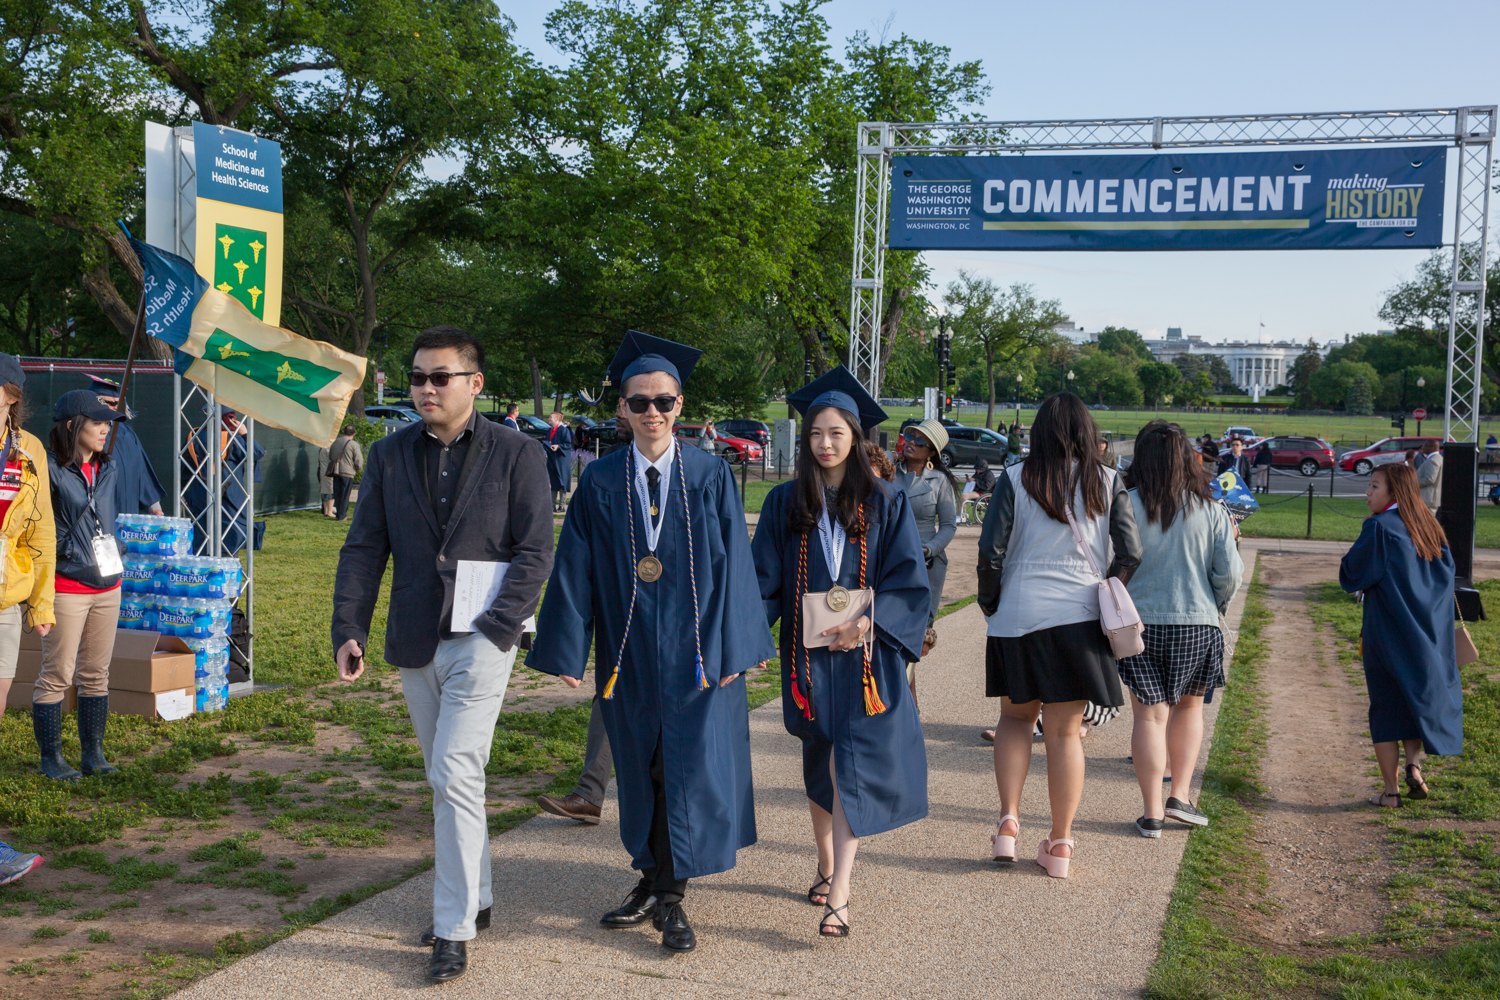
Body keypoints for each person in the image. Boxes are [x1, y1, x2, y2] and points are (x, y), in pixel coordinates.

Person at [528, 331, 774, 954]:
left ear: (680, 407)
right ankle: (649, 879)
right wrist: (566, 647)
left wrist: (737, 645)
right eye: (639, 403)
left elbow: (734, 565)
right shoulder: (602, 480)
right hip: (629, 651)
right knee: (640, 770)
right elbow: (575, 565)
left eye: (663, 402)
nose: (652, 414)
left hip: (696, 654)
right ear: (621, 409)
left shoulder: (710, 474)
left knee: (683, 770)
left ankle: (670, 898)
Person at [331, 326, 554, 982]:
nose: (426, 388)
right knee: (450, 778)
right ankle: (477, 897)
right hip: (413, 639)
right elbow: (365, 547)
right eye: (418, 377)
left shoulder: (519, 455)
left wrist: (498, 625)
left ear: (474, 385)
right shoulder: (390, 455)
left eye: (440, 377)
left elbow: (536, 551)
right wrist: (350, 628)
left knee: (453, 771)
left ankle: (453, 928)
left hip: (485, 638)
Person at [752, 365, 929, 938]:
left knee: (847, 762)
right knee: (818, 759)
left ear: (856, 438)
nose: (825, 444)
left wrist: (869, 622)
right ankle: (826, 864)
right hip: (808, 659)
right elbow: (763, 581)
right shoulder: (785, 502)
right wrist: (751, 638)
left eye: (836, 433)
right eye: (815, 435)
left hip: (862, 659)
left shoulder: (885, 502)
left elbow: (908, 582)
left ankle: (842, 893)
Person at [976, 392, 1142, 878]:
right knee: (1067, 733)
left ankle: (1008, 824)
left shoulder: (1014, 477)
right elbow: (1130, 552)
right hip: (1080, 616)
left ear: (1040, 431)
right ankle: (1061, 843)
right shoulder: (1108, 480)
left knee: (1014, 720)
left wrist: (990, 602)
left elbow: (991, 552)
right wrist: (1108, 588)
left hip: (1018, 614)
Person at [1119, 422, 1242, 837]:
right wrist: (1215, 606)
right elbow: (1229, 575)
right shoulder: (1210, 509)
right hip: (1198, 621)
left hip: (1138, 625)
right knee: (1190, 709)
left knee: (1149, 719)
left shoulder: (1125, 504)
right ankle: (1181, 795)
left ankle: (1151, 811)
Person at [1340, 463, 1460, 807]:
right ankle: (1414, 765)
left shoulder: (1379, 528)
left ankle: (1391, 792)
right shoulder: (1429, 527)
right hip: (1428, 633)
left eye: (1374, 486)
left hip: (1387, 630)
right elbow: (1445, 578)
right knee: (1413, 702)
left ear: (1394, 492)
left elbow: (1354, 574)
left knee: (1386, 708)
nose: (1367, 492)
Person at [34, 390, 128, 781]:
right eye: (97, 422)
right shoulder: (48, 469)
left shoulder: (108, 468)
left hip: (107, 584)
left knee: (96, 673)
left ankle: (94, 754)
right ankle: (51, 760)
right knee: (57, 674)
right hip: (66, 585)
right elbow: (40, 526)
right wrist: (70, 554)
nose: (105, 430)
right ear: (73, 425)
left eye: (107, 423)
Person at [0, 356, 52, 886]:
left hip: (3, 605)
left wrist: (41, 604)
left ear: (10, 395)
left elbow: (42, 535)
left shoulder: (29, 450)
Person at [895, 419, 957, 703]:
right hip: (890, 561)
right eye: (910, 435)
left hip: (925, 565)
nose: (911, 442)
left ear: (931, 452)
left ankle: (908, 710)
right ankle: (904, 708)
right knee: (891, 633)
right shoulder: (889, 472)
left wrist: (930, 549)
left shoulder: (939, 482)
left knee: (913, 639)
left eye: (920, 441)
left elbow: (948, 526)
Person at [183, 405, 264, 555]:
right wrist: (245, 433)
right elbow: (257, 452)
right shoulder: (235, 439)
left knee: (203, 545)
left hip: (202, 498)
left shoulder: (195, 436)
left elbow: (184, 470)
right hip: (229, 501)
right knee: (228, 549)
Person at [86, 375, 165, 515]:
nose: (115, 407)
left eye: (118, 402)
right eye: (109, 402)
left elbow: (142, 469)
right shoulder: (85, 435)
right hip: (100, 513)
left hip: (129, 515)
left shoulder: (125, 431)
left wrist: (155, 507)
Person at [328, 424, 362, 521]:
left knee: (337, 493)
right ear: (354, 434)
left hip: (336, 471)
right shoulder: (353, 444)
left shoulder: (335, 442)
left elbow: (330, 456)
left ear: (343, 432)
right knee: (345, 495)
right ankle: (342, 515)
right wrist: (357, 469)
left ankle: (339, 513)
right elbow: (358, 461)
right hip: (348, 472)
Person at [545, 411, 574, 512]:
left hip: (561, 460)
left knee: (562, 482)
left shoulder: (563, 430)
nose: (549, 418)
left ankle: (562, 505)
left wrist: (558, 446)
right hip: (552, 459)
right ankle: (552, 505)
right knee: (553, 482)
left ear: (557, 419)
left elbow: (568, 444)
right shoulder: (550, 430)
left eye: (550, 417)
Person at [1417, 439, 1443, 512]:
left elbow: (1429, 479)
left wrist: (1412, 483)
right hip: (1430, 499)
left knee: (1424, 522)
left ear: (1432, 448)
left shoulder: (1433, 460)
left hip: (1428, 499)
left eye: (1425, 446)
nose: (1423, 447)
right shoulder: (1438, 458)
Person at [317, 445, 335, 517]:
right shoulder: (330, 449)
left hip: (322, 471)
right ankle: (329, 511)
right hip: (329, 471)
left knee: (324, 491)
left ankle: (326, 511)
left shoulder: (322, 449)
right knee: (331, 491)